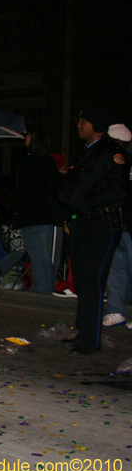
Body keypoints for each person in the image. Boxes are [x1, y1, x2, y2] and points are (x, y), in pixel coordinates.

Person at [59, 108, 128, 355]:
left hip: (100, 225)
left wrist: (84, 203)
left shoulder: (112, 154)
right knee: (82, 282)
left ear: (95, 125)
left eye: (83, 121)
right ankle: (83, 333)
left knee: (93, 282)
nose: (78, 125)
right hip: (80, 223)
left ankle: (91, 340)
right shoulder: (86, 152)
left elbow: (118, 191)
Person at [8, 124, 61, 294]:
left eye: (28, 136)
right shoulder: (41, 161)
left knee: (40, 255)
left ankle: (42, 290)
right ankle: (43, 288)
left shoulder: (35, 161)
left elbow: (27, 190)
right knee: (40, 255)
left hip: (36, 217)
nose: (25, 139)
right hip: (37, 217)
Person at [102, 123, 132, 327]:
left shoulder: (123, 161)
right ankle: (115, 309)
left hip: (129, 221)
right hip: (117, 222)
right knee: (116, 267)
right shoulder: (113, 162)